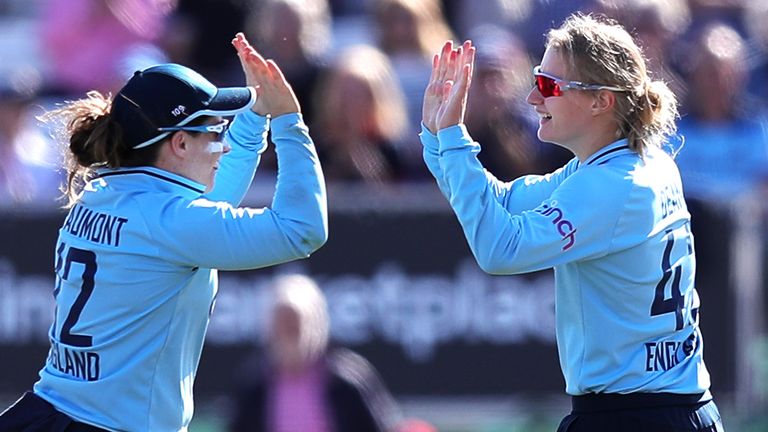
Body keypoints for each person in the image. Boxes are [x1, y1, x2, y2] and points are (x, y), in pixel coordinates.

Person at [0, 32, 328, 431]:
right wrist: (291, 124)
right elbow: (302, 229)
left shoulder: (103, 192)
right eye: (214, 133)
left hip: (43, 417)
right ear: (179, 144)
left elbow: (205, 203)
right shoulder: (170, 221)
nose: (222, 147)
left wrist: (256, 117)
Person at [420, 13, 724, 432]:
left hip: (634, 418)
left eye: (548, 85)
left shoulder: (612, 186)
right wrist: (438, 139)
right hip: (666, 411)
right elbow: (503, 202)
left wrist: (451, 141)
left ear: (602, 100)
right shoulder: (627, 164)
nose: (531, 98)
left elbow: (500, 249)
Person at [228, 274, 401, 432]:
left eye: (295, 325)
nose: (288, 334)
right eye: (281, 325)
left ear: (316, 325)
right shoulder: (253, 387)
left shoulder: (349, 382)